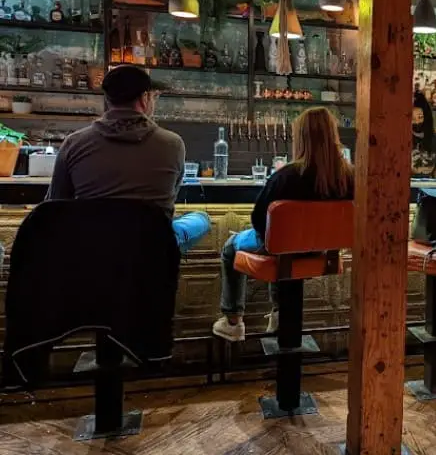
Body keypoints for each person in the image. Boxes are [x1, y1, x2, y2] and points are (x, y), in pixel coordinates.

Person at [212, 107, 355, 342]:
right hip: (323, 252)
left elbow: (258, 220)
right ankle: (279, 314)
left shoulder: (286, 175)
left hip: (282, 249)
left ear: (301, 138)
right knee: (282, 249)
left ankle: (233, 321)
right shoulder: (349, 176)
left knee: (232, 246)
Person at [47, 65, 211, 253]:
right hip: (152, 251)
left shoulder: (74, 144)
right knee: (200, 219)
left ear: (108, 100)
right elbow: (169, 196)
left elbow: (54, 207)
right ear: (145, 98)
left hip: (93, 251)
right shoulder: (173, 144)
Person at [412, 91, 436, 178]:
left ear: (426, 117)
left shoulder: (435, 141)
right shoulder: (401, 140)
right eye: (412, 118)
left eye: (420, 117)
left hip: (427, 188)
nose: (417, 122)